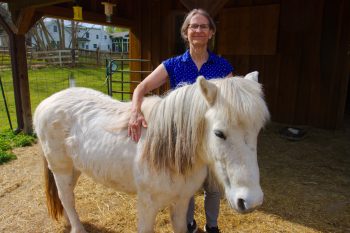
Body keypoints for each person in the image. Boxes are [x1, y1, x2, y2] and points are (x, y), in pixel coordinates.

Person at [128, 8, 233, 233]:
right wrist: (135, 111)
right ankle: (189, 223)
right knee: (185, 185)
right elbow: (142, 87)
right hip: (182, 140)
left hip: (210, 137)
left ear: (211, 32)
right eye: (193, 26)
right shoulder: (173, 64)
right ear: (185, 33)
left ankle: (212, 225)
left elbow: (232, 103)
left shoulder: (222, 67)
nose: (198, 30)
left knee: (213, 186)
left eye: (203, 26)